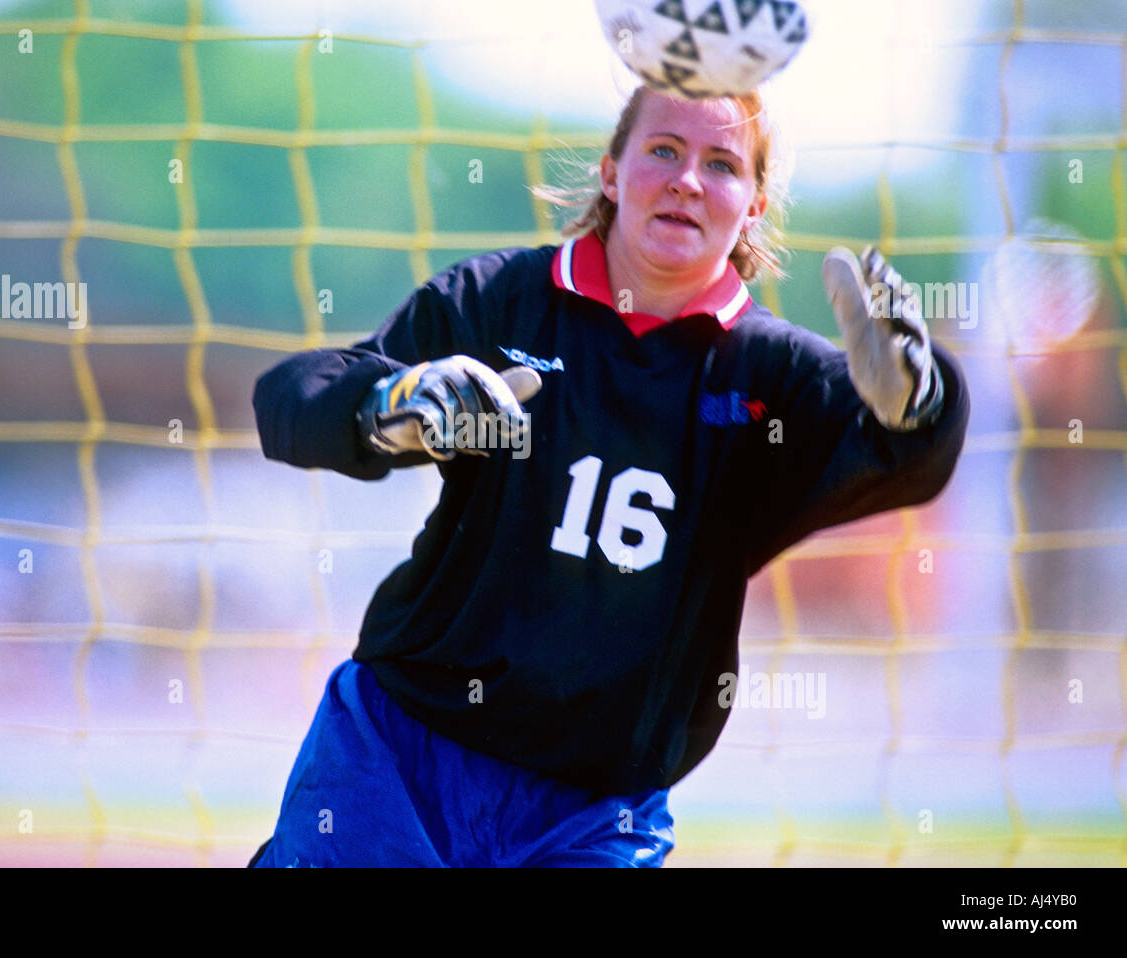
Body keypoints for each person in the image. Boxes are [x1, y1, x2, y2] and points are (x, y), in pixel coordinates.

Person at [247, 85, 969, 867]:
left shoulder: (774, 375)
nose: (687, 179)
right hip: (398, 753)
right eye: (663, 150)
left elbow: (907, 456)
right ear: (612, 174)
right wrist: (389, 406)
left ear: (754, 207)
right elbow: (290, 400)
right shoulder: (505, 302)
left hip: (600, 816)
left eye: (721, 164)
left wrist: (920, 401)